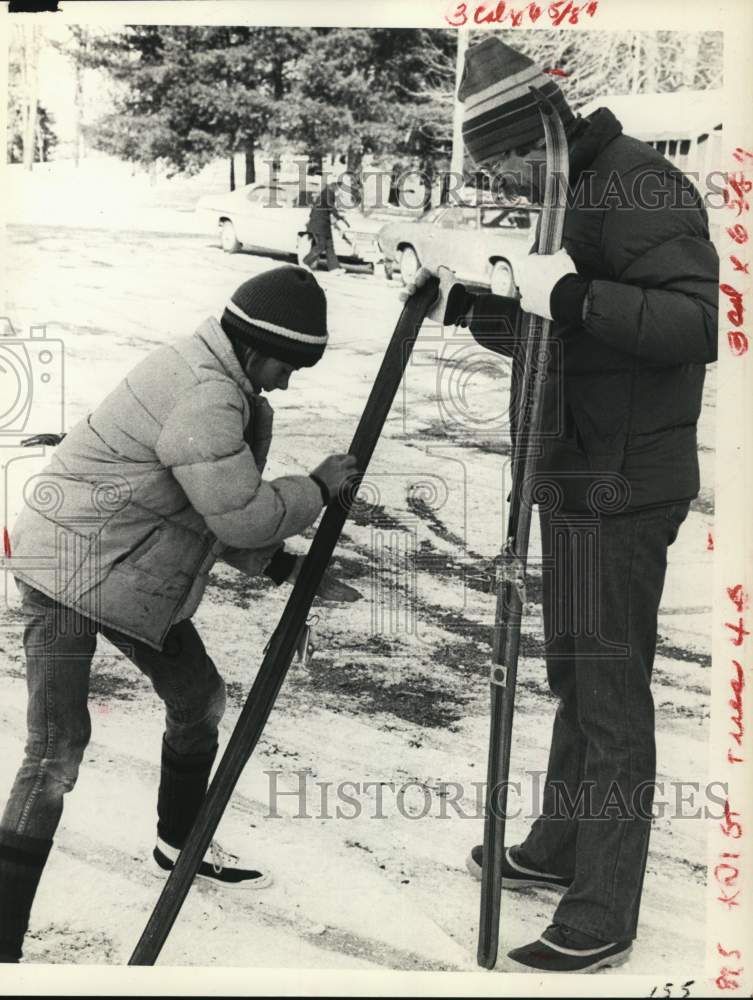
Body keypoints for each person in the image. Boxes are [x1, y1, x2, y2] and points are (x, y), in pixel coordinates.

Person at [403, 37, 718, 973]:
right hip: (572, 472)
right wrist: (462, 300)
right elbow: (556, 337)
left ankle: (602, 910)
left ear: (539, 127)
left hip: (622, 484)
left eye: (501, 154)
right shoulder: (564, 194)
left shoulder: (639, 190)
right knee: (575, 675)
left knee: (611, 695)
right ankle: (558, 845)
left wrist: (572, 293)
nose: (499, 174)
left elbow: (694, 324)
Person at [0, 264, 360, 963]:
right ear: (254, 348)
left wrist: (285, 569)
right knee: (55, 752)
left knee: (199, 700)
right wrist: (314, 487)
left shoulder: (226, 386)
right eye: (287, 365)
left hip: (126, 572)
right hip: (67, 572)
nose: (286, 381)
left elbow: (207, 509)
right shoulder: (205, 395)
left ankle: (177, 840)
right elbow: (244, 514)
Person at [302, 173, 357, 273]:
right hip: (319, 224)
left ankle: (334, 268)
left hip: (324, 224)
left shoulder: (328, 192)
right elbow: (330, 207)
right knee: (321, 245)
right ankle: (306, 262)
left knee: (329, 246)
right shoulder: (328, 193)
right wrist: (339, 217)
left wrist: (339, 216)